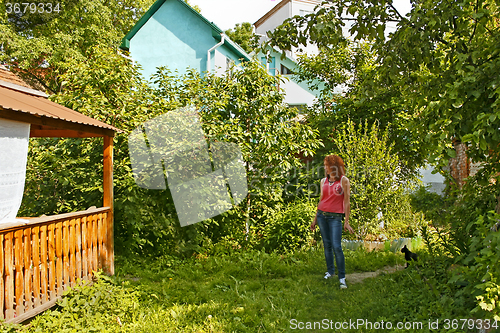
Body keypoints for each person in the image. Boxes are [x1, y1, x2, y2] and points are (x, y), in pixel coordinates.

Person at [310, 155, 354, 289]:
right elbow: (321, 200)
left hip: (335, 218)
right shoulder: (323, 181)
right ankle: (330, 271)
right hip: (322, 216)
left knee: (337, 246)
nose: (325, 167)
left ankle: (342, 278)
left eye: (326, 165)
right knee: (327, 245)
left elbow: (347, 202)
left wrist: (346, 221)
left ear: (334, 166)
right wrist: (315, 219)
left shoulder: (344, 181)